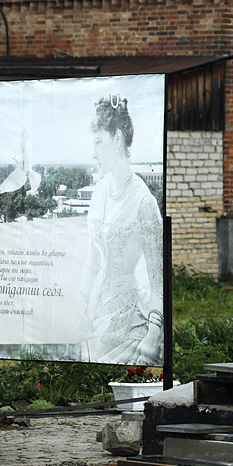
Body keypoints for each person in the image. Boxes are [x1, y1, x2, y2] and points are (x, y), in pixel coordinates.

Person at [82, 94, 164, 365]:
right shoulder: (99, 192)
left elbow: (158, 283)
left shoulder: (143, 201)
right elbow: (92, 259)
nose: (93, 153)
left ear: (117, 139)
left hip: (129, 325)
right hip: (94, 317)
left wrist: (153, 334)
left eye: (98, 142)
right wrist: (79, 303)